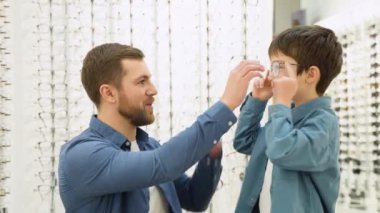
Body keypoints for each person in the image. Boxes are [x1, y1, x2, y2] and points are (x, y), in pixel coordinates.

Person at [58, 43, 265, 212]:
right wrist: (227, 103)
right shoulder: (81, 154)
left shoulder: (148, 146)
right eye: (141, 82)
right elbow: (162, 163)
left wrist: (210, 153)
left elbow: (194, 199)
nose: (153, 90)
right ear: (109, 93)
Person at [233, 25, 342, 213]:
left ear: (310, 74)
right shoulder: (284, 118)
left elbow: (283, 151)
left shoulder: (324, 122)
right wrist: (257, 101)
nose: (272, 74)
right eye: (272, 66)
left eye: (280, 67)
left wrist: (281, 103)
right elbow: (244, 142)